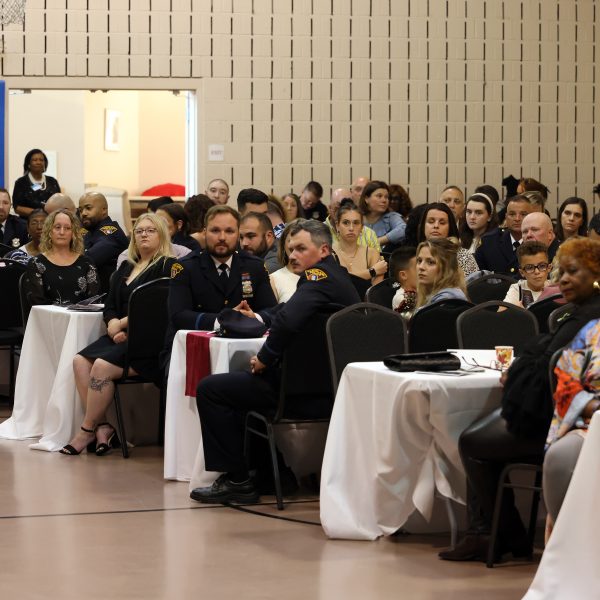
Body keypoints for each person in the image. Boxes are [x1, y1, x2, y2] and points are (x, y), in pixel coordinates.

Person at [439, 237, 600, 562]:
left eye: (574, 272)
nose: (563, 279)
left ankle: (498, 534)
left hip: (565, 422)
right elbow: (537, 353)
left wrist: (520, 371)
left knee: (472, 442)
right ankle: (492, 532)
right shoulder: (577, 312)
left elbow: (546, 371)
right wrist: (526, 366)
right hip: (554, 411)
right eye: (562, 272)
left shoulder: (591, 319)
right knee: (479, 437)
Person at [190, 219, 360, 505]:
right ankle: (274, 475)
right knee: (243, 390)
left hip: (302, 395)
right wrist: (258, 318)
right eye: (290, 249)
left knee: (213, 389)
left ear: (323, 250)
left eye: (300, 248)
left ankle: (237, 480)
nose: (292, 255)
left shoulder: (317, 277)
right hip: (332, 389)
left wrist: (265, 358)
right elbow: (288, 310)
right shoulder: (338, 277)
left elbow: (289, 321)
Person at [60, 213, 176, 455]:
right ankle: (103, 427)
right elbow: (110, 303)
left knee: (101, 367)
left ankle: (86, 430)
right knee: (80, 361)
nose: (144, 234)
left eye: (150, 230)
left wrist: (120, 324)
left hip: (148, 342)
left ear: (162, 235)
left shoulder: (167, 267)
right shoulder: (127, 265)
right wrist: (112, 324)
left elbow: (156, 309)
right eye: (139, 230)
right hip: (120, 337)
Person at [164, 205, 277, 363]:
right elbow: (179, 316)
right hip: (191, 349)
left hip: (244, 348)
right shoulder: (185, 267)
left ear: (238, 234)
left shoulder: (254, 266)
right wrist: (225, 320)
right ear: (204, 232)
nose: (222, 237)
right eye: (215, 230)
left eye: (229, 231)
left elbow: (272, 311)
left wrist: (254, 317)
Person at [543, 316, 600, 537]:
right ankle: (566, 547)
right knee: (560, 457)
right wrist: (590, 405)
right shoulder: (592, 330)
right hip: (592, 422)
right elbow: (566, 378)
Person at [22, 209, 99, 306]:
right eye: (57, 227)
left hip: (80, 318)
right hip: (49, 318)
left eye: (67, 228)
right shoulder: (36, 263)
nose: (62, 232)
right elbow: (36, 302)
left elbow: (94, 300)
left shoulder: (86, 263)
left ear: (73, 233)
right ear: (50, 231)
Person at [332, 199, 387, 296]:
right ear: (337, 226)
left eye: (356, 223)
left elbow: (374, 295)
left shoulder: (372, 253)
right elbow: (336, 284)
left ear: (361, 228)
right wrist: (372, 271)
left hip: (366, 307)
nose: (351, 228)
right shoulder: (329, 253)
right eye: (346, 223)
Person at [474, 194, 536, 276]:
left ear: (531, 216)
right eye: (512, 214)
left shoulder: (537, 241)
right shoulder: (489, 242)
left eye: (523, 214)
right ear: (506, 217)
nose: (517, 218)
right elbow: (479, 278)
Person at [79, 192, 128, 291]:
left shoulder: (111, 233)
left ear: (104, 210)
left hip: (106, 297)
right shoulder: (89, 231)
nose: (83, 213)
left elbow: (88, 260)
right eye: (80, 210)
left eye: (88, 208)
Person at [417, 202, 478, 276]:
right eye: (431, 222)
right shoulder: (413, 254)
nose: (436, 226)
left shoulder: (463, 256)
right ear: (423, 226)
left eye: (442, 223)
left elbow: (474, 285)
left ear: (450, 227)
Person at [415, 238, 468, 309]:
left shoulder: (448, 301)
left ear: (447, 268)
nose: (421, 267)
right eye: (419, 261)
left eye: (430, 262)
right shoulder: (433, 297)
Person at [11, 148, 61, 217]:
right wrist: (39, 214)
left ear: (45, 164)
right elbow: (17, 208)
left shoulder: (53, 181)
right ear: (28, 164)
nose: (38, 162)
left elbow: (60, 203)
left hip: (50, 221)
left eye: (41, 160)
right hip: (27, 223)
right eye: (35, 160)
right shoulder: (21, 183)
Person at [502, 241, 551, 308]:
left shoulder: (555, 287)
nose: (537, 272)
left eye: (542, 266)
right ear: (522, 272)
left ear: (549, 268)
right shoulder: (517, 289)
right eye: (530, 267)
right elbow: (501, 313)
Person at [359, 180, 406, 249]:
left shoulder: (391, 217)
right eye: (379, 196)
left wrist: (378, 241)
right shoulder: (357, 218)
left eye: (386, 197)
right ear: (366, 199)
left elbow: (403, 229)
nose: (384, 200)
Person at [269, 221, 300, 303]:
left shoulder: (322, 274)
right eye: (290, 240)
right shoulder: (274, 279)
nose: (294, 245)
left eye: (301, 242)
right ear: (283, 244)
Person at [390, 246, 417, 318]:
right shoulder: (401, 299)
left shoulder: (423, 290)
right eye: (418, 268)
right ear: (403, 275)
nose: (423, 270)